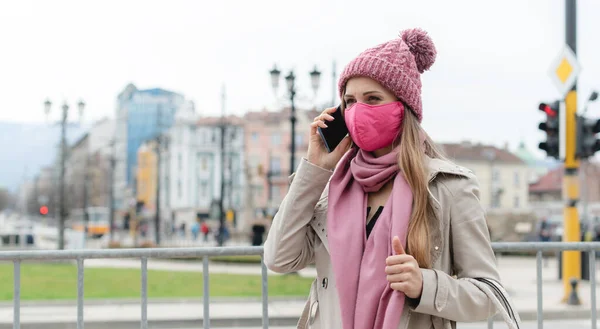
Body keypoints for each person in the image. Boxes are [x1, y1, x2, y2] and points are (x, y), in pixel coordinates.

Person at [264, 28, 521, 329]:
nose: (359, 111)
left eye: (373, 99)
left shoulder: (448, 188)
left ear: (403, 107)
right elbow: (278, 258)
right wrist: (313, 169)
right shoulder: (330, 188)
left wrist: (424, 285)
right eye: (350, 101)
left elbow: (489, 296)